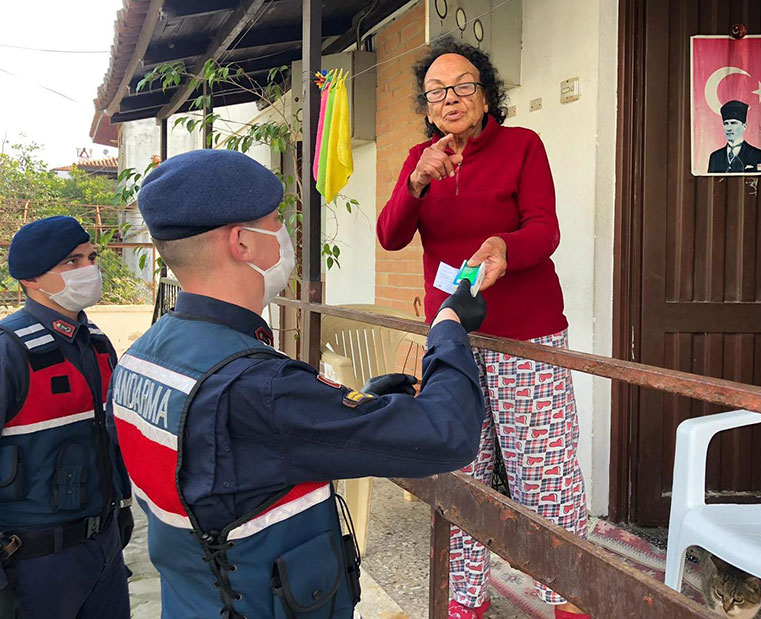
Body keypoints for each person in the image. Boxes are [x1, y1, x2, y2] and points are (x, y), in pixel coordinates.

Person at [106, 149, 488, 619]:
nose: (285, 235)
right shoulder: (258, 385)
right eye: (275, 220)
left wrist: (360, 406)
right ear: (242, 243)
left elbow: (236, 458)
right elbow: (445, 434)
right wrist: (448, 328)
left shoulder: (140, 358)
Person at [376, 37, 590, 619]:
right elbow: (391, 235)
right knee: (462, 468)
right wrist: (416, 181)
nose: (451, 98)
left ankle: (566, 595)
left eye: (464, 85)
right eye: (438, 90)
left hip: (528, 334)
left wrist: (504, 245)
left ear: (486, 92)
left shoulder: (522, 146)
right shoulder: (418, 162)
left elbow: (544, 230)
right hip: (454, 338)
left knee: (543, 469)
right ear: (426, 103)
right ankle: (466, 597)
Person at [0, 216, 132, 619]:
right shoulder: (10, 351)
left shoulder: (96, 344)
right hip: (34, 561)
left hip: (104, 548)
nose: (89, 269)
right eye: (72, 262)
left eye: (91, 257)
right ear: (31, 279)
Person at [707, 100, 761, 174]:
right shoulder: (715, 157)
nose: (729, 128)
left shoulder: (759, 155)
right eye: (726, 124)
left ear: (744, 126)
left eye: (733, 123)